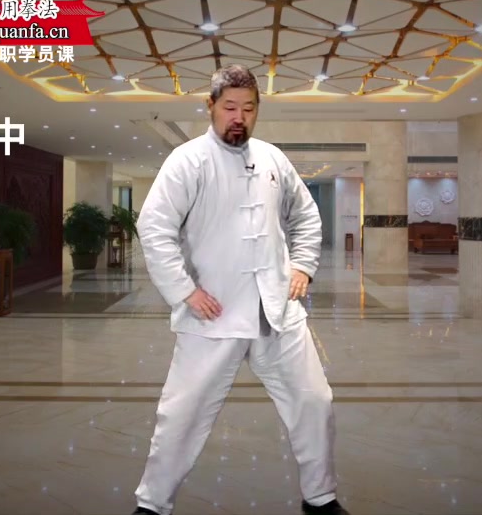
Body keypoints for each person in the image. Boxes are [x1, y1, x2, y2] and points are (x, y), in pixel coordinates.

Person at [132, 64, 349, 515]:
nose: (239, 117)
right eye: (230, 107)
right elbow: (154, 227)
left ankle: (321, 498)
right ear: (210, 106)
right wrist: (185, 290)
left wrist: (303, 266)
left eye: (248, 109)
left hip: (278, 311)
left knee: (315, 401)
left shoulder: (273, 159)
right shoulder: (188, 160)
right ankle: (151, 505)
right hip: (213, 313)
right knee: (182, 413)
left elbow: (305, 215)